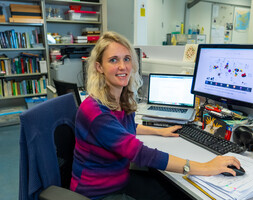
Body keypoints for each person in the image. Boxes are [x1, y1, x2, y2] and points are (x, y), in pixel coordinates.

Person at [70, 31, 241, 200]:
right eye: (113, 60)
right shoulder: (96, 111)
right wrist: (205, 167)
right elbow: (141, 154)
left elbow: (122, 129)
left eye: (126, 58)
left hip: (118, 181)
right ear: (99, 67)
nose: (123, 66)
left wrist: (159, 131)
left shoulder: (118, 99)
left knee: (174, 192)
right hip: (98, 193)